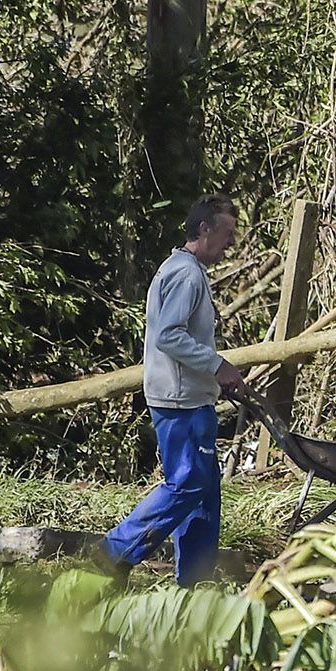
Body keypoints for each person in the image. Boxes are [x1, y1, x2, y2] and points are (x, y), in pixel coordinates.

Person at [101, 195, 249, 585]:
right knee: (187, 484)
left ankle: (195, 582)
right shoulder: (185, 274)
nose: (231, 243)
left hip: (189, 398)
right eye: (227, 233)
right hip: (180, 403)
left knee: (204, 494)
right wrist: (217, 366)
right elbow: (169, 335)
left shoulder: (184, 269)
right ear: (205, 229)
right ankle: (113, 552)